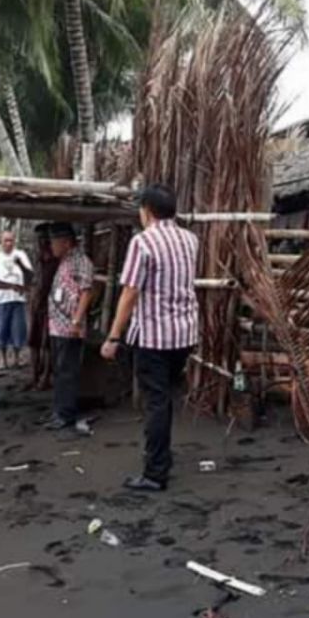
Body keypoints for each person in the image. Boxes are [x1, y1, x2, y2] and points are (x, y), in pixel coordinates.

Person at [101, 185, 199, 491]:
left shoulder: (143, 243)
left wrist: (113, 336)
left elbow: (130, 292)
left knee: (156, 402)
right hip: (184, 333)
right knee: (166, 396)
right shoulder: (190, 239)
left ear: (147, 211)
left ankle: (156, 472)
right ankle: (162, 454)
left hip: (154, 336)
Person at [45, 222, 95, 433]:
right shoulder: (66, 261)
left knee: (67, 371)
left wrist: (76, 320)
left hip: (69, 327)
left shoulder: (80, 261)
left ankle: (65, 414)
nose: (51, 247)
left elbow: (87, 291)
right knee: (60, 369)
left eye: (54, 242)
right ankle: (59, 411)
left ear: (65, 242)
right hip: (58, 325)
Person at [0, 230, 33, 370]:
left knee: (18, 330)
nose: (8, 243)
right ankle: (3, 359)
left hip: (18, 299)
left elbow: (29, 275)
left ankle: (17, 358)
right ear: (1, 242)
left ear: (14, 241)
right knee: (0, 331)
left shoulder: (21, 255)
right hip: (1, 301)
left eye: (11, 240)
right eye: (6, 240)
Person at [27, 224, 59, 391]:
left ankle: (46, 376)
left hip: (50, 306)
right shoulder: (37, 259)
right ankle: (34, 376)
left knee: (47, 344)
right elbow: (35, 281)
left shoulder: (56, 260)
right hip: (36, 304)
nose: (41, 242)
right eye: (38, 239)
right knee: (33, 341)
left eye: (44, 239)